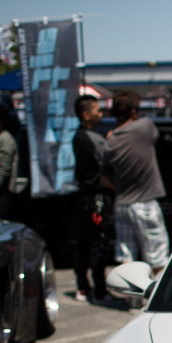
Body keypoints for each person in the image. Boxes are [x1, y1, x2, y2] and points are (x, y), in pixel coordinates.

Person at [100, 90, 170, 273]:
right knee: (157, 257)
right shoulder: (145, 127)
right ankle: (155, 297)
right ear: (134, 111)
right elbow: (155, 142)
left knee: (127, 258)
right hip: (145, 202)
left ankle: (130, 298)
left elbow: (104, 178)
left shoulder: (109, 142)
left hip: (122, 204)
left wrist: (121, 188)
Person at [71, 95, 114, 302]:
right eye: (98, 110)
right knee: (98, 241)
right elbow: (105, 162)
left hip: (88, 197)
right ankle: (98, 289)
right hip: (96, 198)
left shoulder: (85, 137)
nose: (101, 114)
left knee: (86, 241)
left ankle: (85, 286)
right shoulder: (87, 138)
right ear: (86, 115)